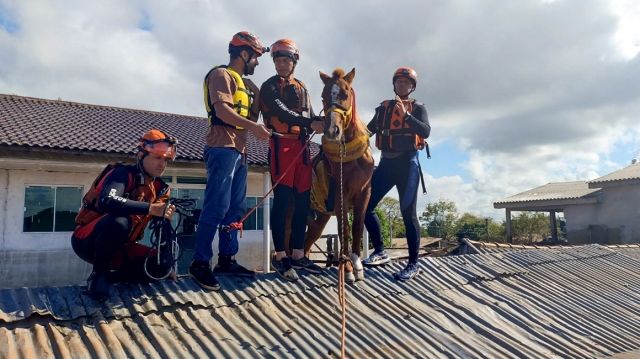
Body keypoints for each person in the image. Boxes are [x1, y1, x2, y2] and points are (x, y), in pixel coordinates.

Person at [190, 31, 272, 291]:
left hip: (240, 152)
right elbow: (222, 110)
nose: (257, 63)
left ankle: (227, 259)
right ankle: (199, 263)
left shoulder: (246, 85)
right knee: (216, 205)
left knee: (235, 209)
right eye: (256, 57)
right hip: (222, 148)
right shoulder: (221, 75)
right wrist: (254, 127)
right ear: (244, 54)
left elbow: (261, 110)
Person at [71, 129, 179, 302]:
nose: (162, 164)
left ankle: (113, 278)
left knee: (161, 267)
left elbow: (162, 228)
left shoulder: (161, 188)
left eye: (165, 159)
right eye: (157, 158)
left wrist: (168, 265)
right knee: (120, 221)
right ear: (141, 155)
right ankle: (98, 276)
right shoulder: (122, 174)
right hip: (88, 240)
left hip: (124, 247)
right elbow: (107, 200)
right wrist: (151, 208)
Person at [259, 39, 325, 281]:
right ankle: (280, 256)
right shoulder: (269, 86)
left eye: (286, 60)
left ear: (294, 61)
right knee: (283, 202)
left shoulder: (302, 86)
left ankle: (298, 254)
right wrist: (310, 123)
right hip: (282, 146)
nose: (281, 64)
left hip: (303, 147)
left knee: (303, 203)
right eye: (278, 60)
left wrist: (323, 122)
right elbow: (281, 112)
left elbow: (308, 114)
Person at [362, 67, 431, 281]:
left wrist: (406, 115)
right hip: (386, 164)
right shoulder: (383, 108)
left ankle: (413, 264)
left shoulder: (418, 108)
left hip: (407, 165)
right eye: (399, 81)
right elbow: (367, 131)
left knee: (408, 215)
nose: (402, 85)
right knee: (365, 206)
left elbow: (426, 131)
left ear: (412, 86)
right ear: (394, 84)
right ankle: (380, 252)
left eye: (406, 82)